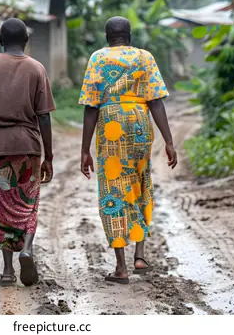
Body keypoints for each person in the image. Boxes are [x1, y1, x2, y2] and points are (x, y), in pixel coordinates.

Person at [78, 16, 177, 284]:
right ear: (129, 36)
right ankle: (140, 254)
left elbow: (90, 106)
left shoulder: (98, 58)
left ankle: (121, 267)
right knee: (139, 183)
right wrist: (168, 140)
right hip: (140, 124)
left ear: (107, 36)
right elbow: (155, 100)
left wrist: (85, 149)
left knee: (113, 190)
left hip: (111, 125)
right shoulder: (144, 57)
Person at [0, 18, 55, 288]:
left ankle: (7, 271)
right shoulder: (37, 68)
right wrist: (48, 156)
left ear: (0, 40)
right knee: (27, 202)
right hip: (27, 149)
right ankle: (27, 248)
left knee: (2, 206)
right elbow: (44, 117)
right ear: (27, 41)